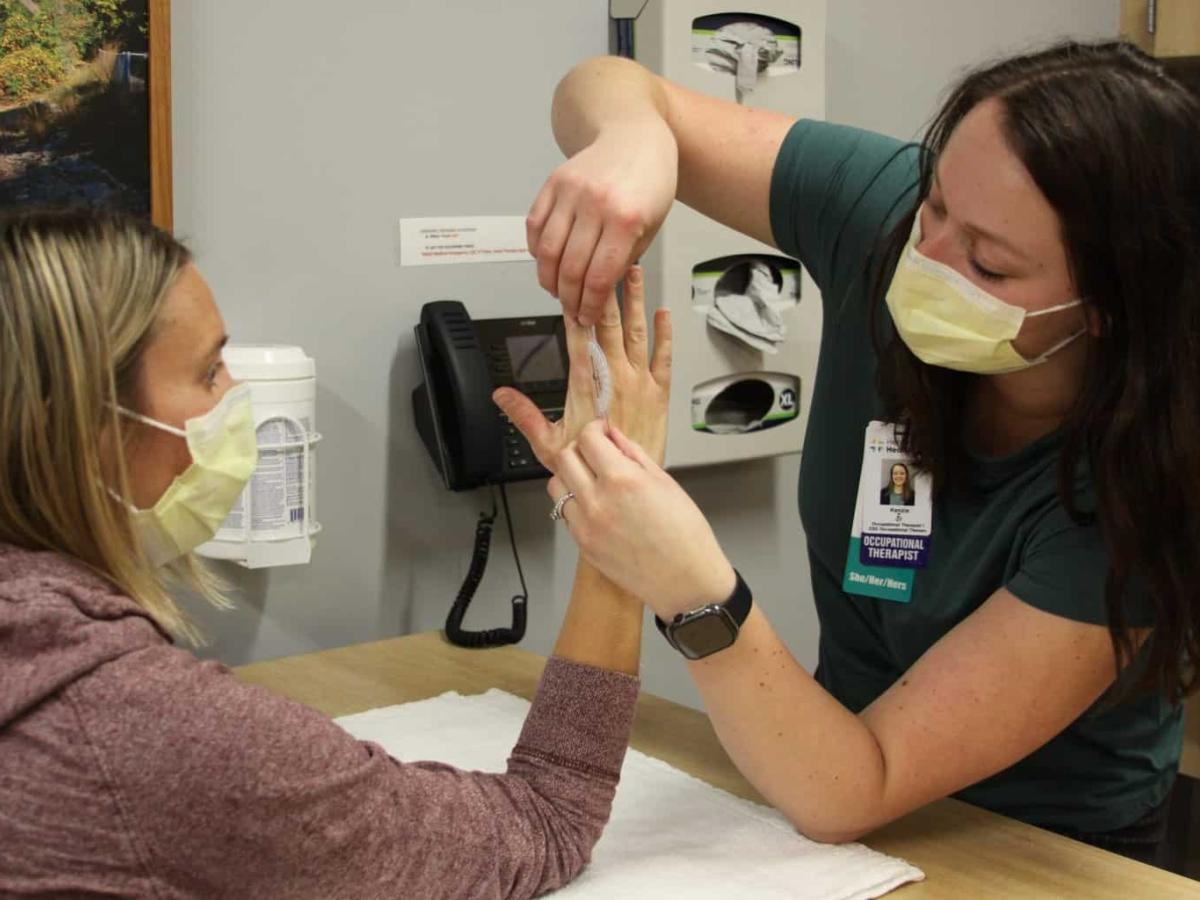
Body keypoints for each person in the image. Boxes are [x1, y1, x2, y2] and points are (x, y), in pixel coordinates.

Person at [507, 41, 1200, 862]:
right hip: (817, 782)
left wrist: (692, 586)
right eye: (935, 205)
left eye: (988, 263)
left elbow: (851, 790)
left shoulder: (1137, 501)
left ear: (1110, 306)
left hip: (1046, 849)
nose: (925, 259)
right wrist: (635, 137)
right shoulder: (887, 217)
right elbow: (606, 86)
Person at [0, 209, 670, 897]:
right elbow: (544, 821)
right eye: (208, 374)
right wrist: (618, 511)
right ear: (92, 434)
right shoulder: (144, 733)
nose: (236, 398)